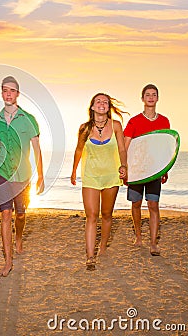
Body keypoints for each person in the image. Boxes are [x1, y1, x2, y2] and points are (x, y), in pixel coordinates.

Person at [0, 76, 44, 277]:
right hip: (2, 174)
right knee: (5, 215)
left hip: (23, 174)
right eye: (4, 90)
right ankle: (8, 261)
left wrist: (41, 175)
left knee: (20, 214)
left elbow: (37, 148)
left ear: (17, 94)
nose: (8, 94)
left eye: (12, 91)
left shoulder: (29, 119)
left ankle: (18, 236)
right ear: (1, 93)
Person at [71, 93, 128, 271]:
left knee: (107, 214)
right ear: (93, 107)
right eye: (98, 101)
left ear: (108, 107)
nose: (102, 103)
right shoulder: (84, 129)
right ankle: (90, 256)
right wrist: (73, 171)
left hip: (111, 175)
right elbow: (79, 150)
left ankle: (103, 246)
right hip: (90, 176)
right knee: (92, 216)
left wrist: (124, 165)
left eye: (105, 101)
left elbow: (121, 148)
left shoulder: (116, 125)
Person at [124, 84, 170, 256]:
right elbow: (125, 145)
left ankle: (153, 243)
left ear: (157, 98)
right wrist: (125, 168)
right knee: (136, 204)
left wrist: (165, 168)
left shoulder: (164, 121)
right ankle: (138, 236)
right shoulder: (134, 121)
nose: (151, 97)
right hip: (136, 170)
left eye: (154, 95)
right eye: (147, 95)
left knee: (153, 205)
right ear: (142, 98)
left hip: (154, 170)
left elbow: (165, 147)